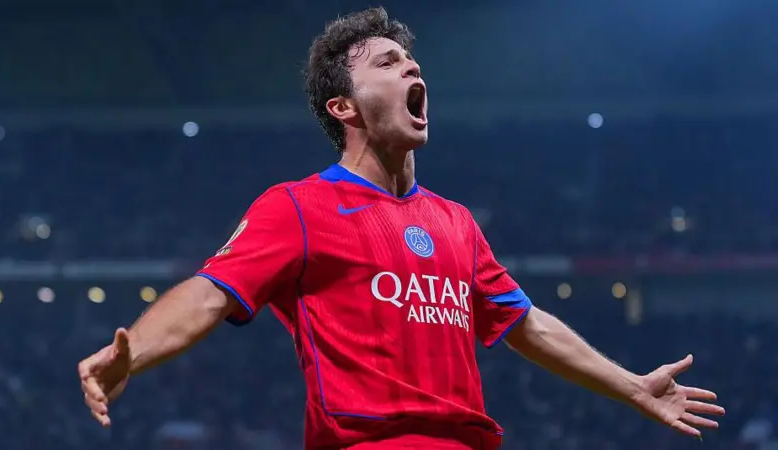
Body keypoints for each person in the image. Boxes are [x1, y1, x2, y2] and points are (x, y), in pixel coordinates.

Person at [78, 7, 725, 450]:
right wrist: (132, 351)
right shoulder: (298, 206)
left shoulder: (455, 222)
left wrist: (631, 387)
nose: (413, 70)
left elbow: (526, 324)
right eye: (388, 64)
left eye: (412, 61)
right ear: (343, 107)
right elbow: (208, 293)